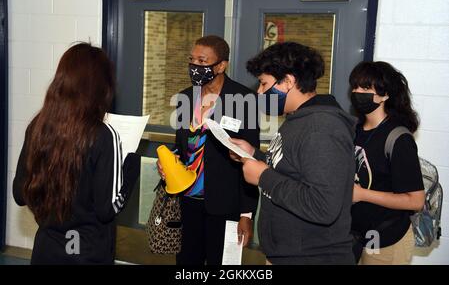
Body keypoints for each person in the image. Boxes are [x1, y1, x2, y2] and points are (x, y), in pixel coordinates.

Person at [13, 43, 140, 264]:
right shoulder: (103, 135)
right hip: (87, 253)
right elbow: (106, 209)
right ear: (100, 87)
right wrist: (131, 170)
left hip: (46, 251)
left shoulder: (38, 126)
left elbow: (19, 194)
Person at [230, 42, 356, 265]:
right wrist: (254, 155)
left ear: (288, 81)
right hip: (287, 255)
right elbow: (290, 171)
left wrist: (262, 176)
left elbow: (323, 205)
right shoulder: (297, 119)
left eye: (263, 84)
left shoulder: (321, 128)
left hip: (312, 258)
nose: (259, 92)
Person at [157, 35, 260, 265]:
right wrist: (168, 162)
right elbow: (181, 147)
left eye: (202, 62)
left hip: (225, 206)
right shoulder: (185, 97)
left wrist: (246, 215)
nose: (195, 67)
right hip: (187, 202)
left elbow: (249, 159)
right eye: (191, 60)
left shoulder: (244, 99)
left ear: (221, 65)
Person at [349, 61, 425, 265]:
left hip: (386, 239)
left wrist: (362, 194)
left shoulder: (398, 138)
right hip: (355, 236)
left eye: (365, 88)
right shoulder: (354, 129)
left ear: (385, 94)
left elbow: (415, 200)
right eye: (355, 86)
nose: (357, 92)